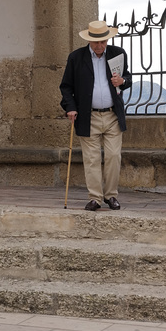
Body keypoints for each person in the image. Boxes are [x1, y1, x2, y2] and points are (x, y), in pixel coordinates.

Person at [60, 19, 132, 211]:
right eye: (96, 42)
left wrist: (122, 81)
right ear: (89, 40)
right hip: (87, 116)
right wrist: (70, 107)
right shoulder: (76, 58)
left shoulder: (118, 54)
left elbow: (128, 79)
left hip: (112, 116)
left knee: (113, 156)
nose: (100, 46)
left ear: (107, 40)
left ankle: (111, 196)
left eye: (103, 41)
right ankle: (95, 198)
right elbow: (66, 86)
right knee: (91, 159)